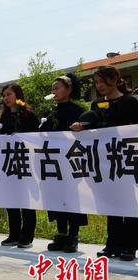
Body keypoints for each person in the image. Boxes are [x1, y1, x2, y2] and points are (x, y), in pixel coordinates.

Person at [70, 66, 138, 261]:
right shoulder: (95, 106)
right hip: (106, 163)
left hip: (128, 160)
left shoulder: (130, 103)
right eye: (96, 82)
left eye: (102, 81)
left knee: (131, 203)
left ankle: (129, 246)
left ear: (115, 79)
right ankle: (112, 244)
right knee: (112, 204)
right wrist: (82, 127)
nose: (99, 86)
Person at [38, 74, 88, 253]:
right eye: (53, 88)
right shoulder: (50, 113)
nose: (54, 91)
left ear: (68, 89)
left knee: (72, 198)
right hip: (53, 162)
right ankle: (60, 234)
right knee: (57, 198)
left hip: (72, 161)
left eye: (58, 87)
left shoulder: (78, 111)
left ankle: (73, 236)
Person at [0, 83, 40, 248]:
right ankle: (14, 234)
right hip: (8, 164)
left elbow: (36, 138)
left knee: (26, 200)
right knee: (11, 199)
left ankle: (27, 235)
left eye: (9, 94)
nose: (6, 98)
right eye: (4, 95)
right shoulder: (4, 117)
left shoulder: (29, 116)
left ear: (18, 95)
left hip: (26, 164)